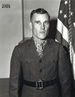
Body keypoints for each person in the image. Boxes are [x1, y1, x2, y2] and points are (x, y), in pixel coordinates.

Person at [9, 8, 73, 97]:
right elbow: (14, 85)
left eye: (45, 22)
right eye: (38, 22)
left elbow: (65, 82)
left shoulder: (59, 49)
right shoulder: (19, 50)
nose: (42, 27)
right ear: (31, 25)